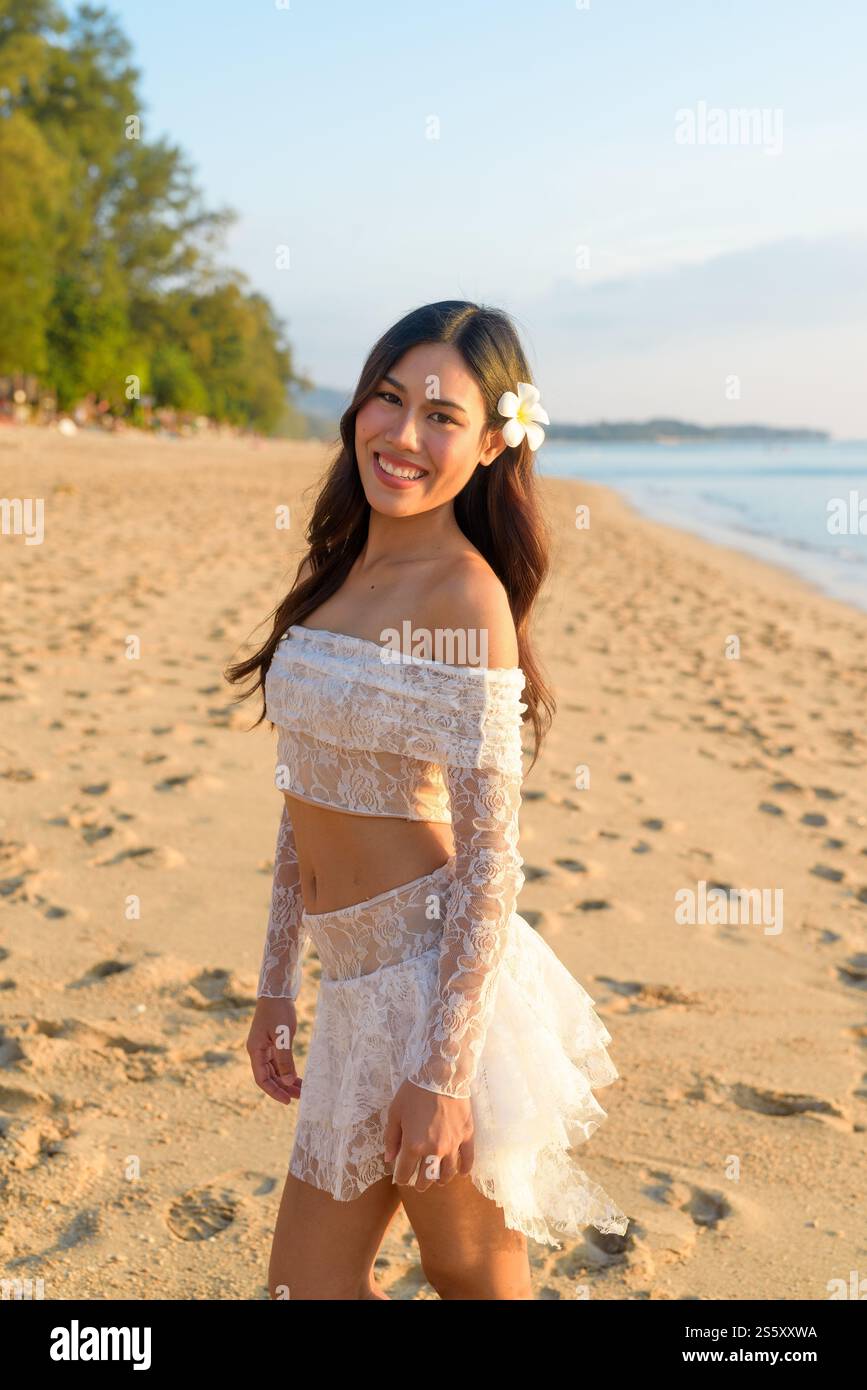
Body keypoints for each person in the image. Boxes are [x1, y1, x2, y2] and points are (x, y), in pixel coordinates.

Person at [225, 300, 628, 1301]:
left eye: (442, 416)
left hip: (434, 989)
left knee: (473, 1278)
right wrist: (277, 979)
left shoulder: (465, 595)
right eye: (389, 399)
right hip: (350, 991)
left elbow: (494, 858)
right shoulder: (336, 572)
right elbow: (302, 788)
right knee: (303, 1289)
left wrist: (443, 1073)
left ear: (494, 441)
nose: (403, 435)